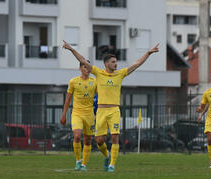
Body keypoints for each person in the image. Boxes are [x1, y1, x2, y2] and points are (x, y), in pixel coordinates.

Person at [62, 40, 159, 172]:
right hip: (101, 111)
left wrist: (148, 53)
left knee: (114, 137)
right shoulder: (98, 73)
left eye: (116, 61)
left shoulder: (120, 74)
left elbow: (136, 64)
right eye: (113, 62)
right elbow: (82, 60)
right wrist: (71, 49)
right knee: (99, 140)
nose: (116, 64)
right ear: (106, 64)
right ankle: (106, 156)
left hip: (114, 110)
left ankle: (112, 165)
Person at [60, 61, 96, 171]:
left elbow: (101, 98)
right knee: (77, 136)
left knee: (88, 140)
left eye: (89, 67)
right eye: (85, 67)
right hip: (77, 113)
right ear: (80, 68)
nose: (88, 69)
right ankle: (78, 161)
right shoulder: (73, 81)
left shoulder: (95, 82)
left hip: (89, 115)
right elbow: (68, 99)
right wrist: (64, 114)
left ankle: (84, 164)